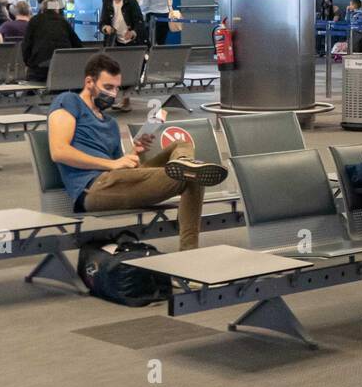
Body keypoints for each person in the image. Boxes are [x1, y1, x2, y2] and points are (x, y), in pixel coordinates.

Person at [47, 55, 228, 250]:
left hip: (116, 180)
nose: (114, 94)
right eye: (108, 87)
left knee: (182, 148)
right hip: (92, 188)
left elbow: (122, 169)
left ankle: (183, 163)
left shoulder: (110, 123)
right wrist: (112, 164)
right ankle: (189, 252)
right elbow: (59, 152)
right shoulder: (69, 101)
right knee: (190, 176)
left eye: (117, 88)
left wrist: (135, 151)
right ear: (89, 82)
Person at [22, 0, 82, 83]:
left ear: (42, 9)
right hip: (63, 68)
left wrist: (28, 63)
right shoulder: (63, 22)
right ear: (57, 10)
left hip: (40, 69)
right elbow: (78, 45)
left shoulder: (34, 21)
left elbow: (26, 45)